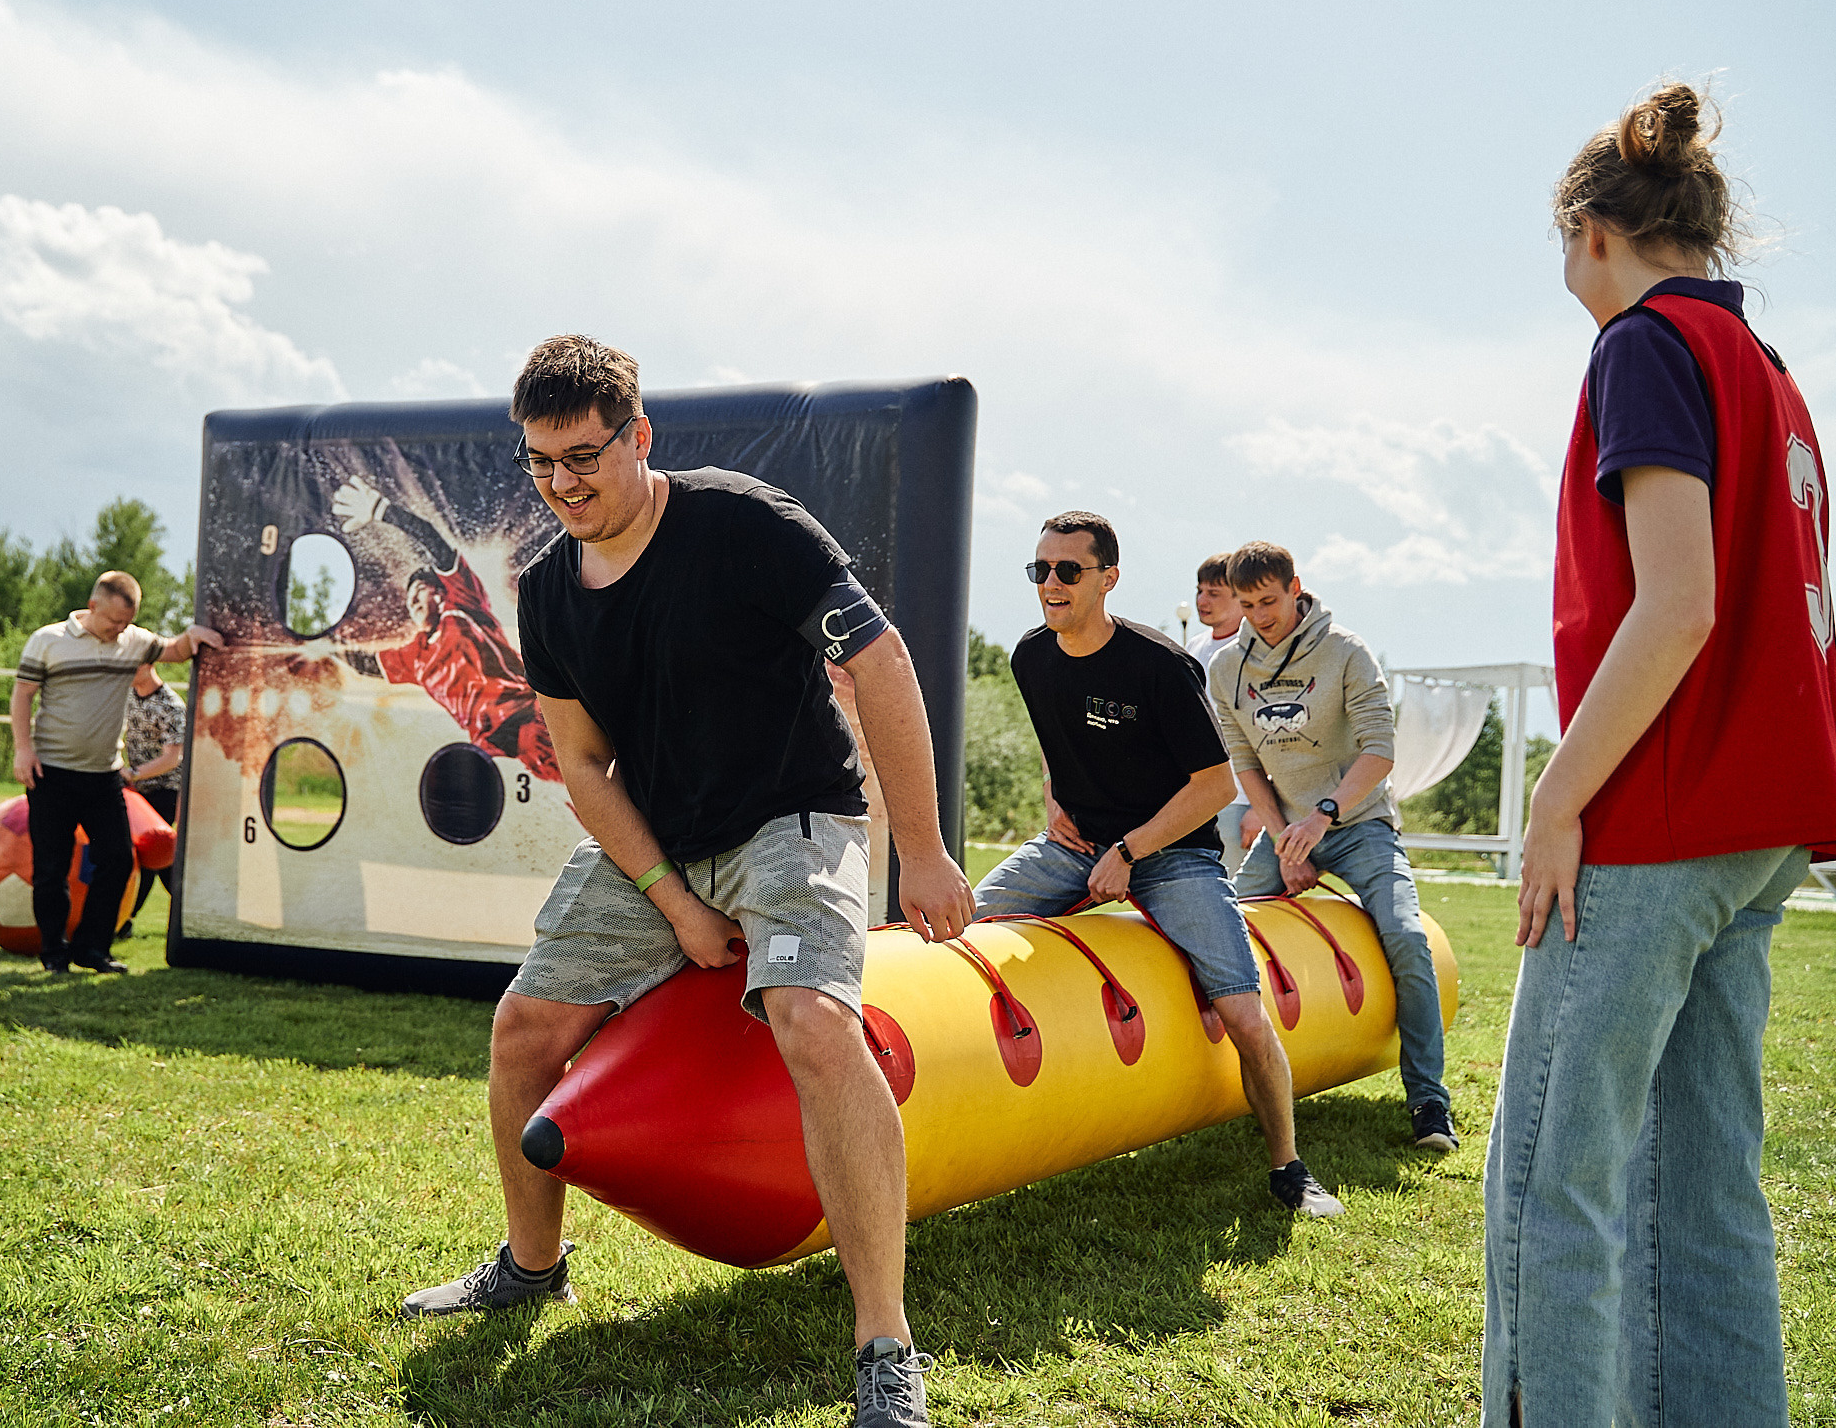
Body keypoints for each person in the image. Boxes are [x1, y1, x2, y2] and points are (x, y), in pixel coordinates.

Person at [402, 336, 974, 1428]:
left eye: (583, 456)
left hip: (790, 814)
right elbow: (579, 763)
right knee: (523, 1027)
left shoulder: (746, 521)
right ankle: (531, 1263)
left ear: (638, 436)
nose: (563, 483)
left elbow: (880, 660)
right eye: (540, 463)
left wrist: (926, 848)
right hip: (659, 833)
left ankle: (885, 1343)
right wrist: (673, 900)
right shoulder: (548, 588)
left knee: (809, 1016)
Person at [1480, 83, 1836, 1427]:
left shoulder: (1643, 342)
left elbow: (1678, 599)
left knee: (1548, 1186)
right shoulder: (1778, 375)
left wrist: (1557, 792)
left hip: (1654, 817)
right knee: (1700, 1187)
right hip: (1760, 827)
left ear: (1591, 232)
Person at [972, 510, 1344, 1219]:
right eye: (1039, 570)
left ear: (1107, 578)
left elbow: (1216, 784)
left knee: (1241, 1005)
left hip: (1172, 855)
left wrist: (1131, 849)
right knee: (967, 929)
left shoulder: (1158, 665)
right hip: (1076, 847)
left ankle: (1290, 1169)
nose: (1051, 583)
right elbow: (1055, 736)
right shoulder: (1030, 656)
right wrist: (1056, 797)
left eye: (1068, 571)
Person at [1208, 540, 1454, 1152]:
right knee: (1226, 939)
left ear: (1296, 588)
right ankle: (1235, 1085)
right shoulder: (1225, 669)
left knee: (1406, 935)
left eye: (1269, 600)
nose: (1260, 615)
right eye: (1247, 604)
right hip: (1286, 830)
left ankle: (1429, 1101)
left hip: (1359, 823)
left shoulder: (1346, 652)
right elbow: (1246, 763)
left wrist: (1321, 820)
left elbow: (1380, 750)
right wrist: (1284, 837)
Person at [9, 572, 221, 975]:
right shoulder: (48, 640)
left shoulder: (134, 642)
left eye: (127, 623)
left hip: (104, 776)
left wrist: (192, 635)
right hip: (50, 772)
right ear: (92, 607)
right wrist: (23, 748)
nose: (119, 630)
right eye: (113, 622)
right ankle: (54, 952)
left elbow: (174, 650)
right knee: (51, 869)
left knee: (119, 860)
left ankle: (93, 949)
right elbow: (22, 694)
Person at [329, 474, 562, 785]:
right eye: (408, 599)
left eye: (418, 592)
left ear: (438, 592)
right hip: (495, 752)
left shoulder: (462, 604)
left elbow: (434, 543)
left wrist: (383, 511)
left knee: (597, 790)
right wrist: (323, 637)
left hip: (529, 721)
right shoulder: (415, 657)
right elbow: (367, 664)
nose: (412, 603)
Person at [1189, 554, 1257, 870]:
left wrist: (1260, 809)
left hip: (1242, 802)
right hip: (1198, 800)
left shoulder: (1254, 649)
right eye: (1199, 591)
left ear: (1239, 597)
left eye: (1213, 593)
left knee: (1240, 902)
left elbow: (1268, 731)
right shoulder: (1193, 647)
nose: (1202, 600)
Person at [118, 659, 184, 929]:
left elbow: (173, 759)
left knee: (147, 854)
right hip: (137, 790)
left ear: (149, 664)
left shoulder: (172, 706)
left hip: (165, 790)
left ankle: (124, 920)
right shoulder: (128, 694)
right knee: (162, 858)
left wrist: (134, 773)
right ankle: (191, 909)